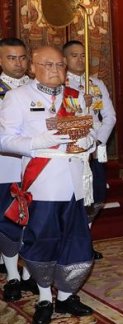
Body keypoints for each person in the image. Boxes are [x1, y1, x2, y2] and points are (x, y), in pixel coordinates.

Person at [0, 46, 97, 323]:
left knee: (77, 240)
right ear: (33, 67)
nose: (56, 70)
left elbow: (88, 130)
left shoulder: (75, 97)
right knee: (43, 240)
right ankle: (44, 296)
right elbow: (4, 139)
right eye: (48, 65)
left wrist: (88, 141)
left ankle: (66, 296)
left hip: (76, 182)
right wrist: (38, 143)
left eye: (60, 65)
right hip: (42, 181)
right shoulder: (18, 97)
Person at [63, 40, 117, 260]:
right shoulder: (60, 84)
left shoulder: (96, 83)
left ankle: (85, 239)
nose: (79, 59)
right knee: (73, 195)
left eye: (83, 55)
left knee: (96, 194)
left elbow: (110, 116)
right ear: (65, 60)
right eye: (74, 55)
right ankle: (69, 242)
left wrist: (99, 142)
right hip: (71, 150)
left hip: (94, 148)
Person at [0, 37, 39, 302]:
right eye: (11, 58)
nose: (18, 63)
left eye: (22, 57)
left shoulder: (37, 87)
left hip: (33, 166)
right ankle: (12, 275)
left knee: (33, 221)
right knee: (8, 221)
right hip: (5, 164)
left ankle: (29, 274)